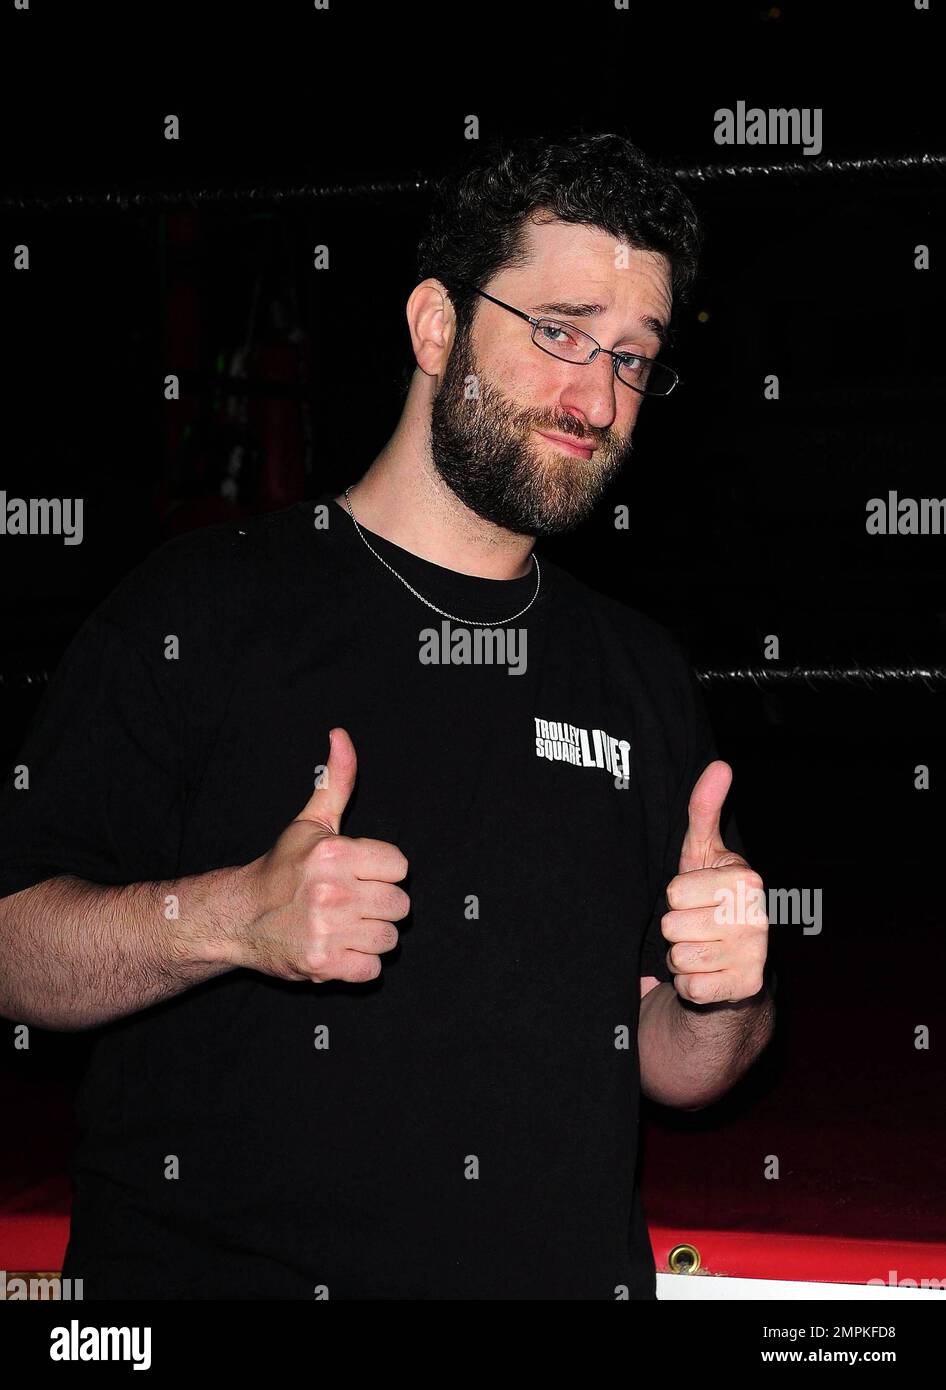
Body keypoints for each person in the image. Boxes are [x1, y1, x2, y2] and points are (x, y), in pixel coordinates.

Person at [0, 131, 774, 1300]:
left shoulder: (638, 671)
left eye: (630, 356)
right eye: (558, 332)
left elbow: (673, 1064)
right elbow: (12, 949)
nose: (595, 394)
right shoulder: (203, 608)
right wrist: (230, 917)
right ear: (433, 326)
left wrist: (729, 993)